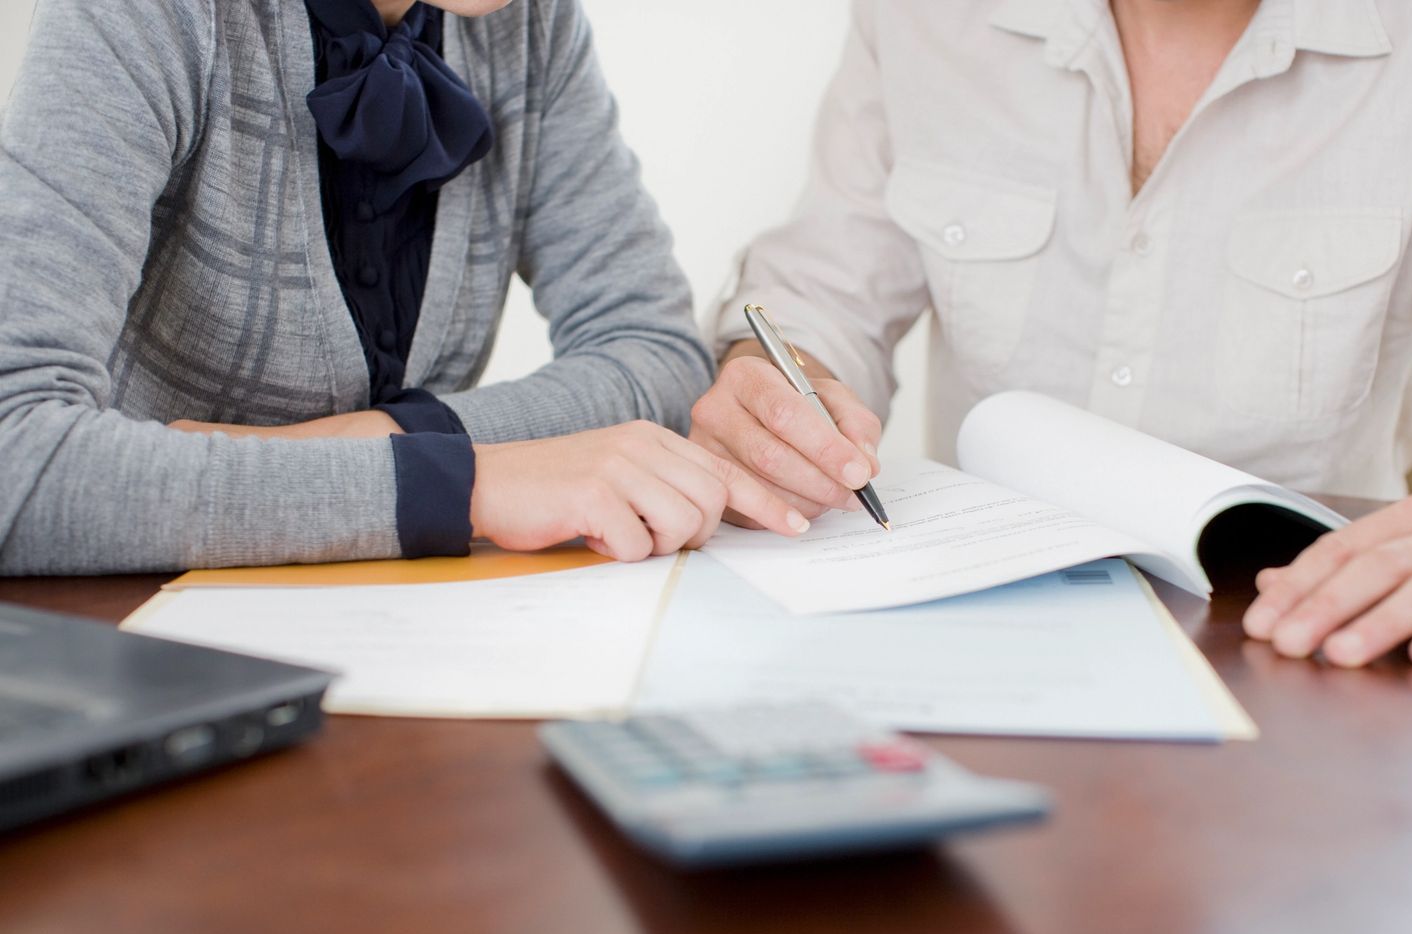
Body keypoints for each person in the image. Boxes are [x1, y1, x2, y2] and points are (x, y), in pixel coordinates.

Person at [688, 0, 1412, 668]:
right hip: (978, 630)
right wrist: (772, 378)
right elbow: (823, 290)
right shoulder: (920, 18)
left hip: (1299, 640)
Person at [0, 0, 808, 577]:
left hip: (399, 618)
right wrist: (464, 480)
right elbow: (14, 456)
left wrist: (387, 436)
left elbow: (658, 355)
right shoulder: (141, 16)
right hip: (136, 636)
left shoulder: (533, 23)